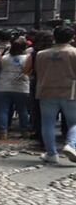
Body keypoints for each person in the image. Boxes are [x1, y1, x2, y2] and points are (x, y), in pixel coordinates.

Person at [33, 26, 76, 163]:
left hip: (46, 90)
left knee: (47, 123)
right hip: (70, 91)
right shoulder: (74, 53)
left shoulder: (41, 54)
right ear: (71, 37)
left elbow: (38, 72)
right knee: (74, 122)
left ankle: (51, 153)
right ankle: (71, 144)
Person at [0, 36, 32, 139]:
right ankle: (24, 131)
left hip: (3, 86)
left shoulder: (4, 58)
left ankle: (3, 132)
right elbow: (28, 71)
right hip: (21, 86)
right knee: (22, 110)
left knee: (3, 110)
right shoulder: (27, 58)